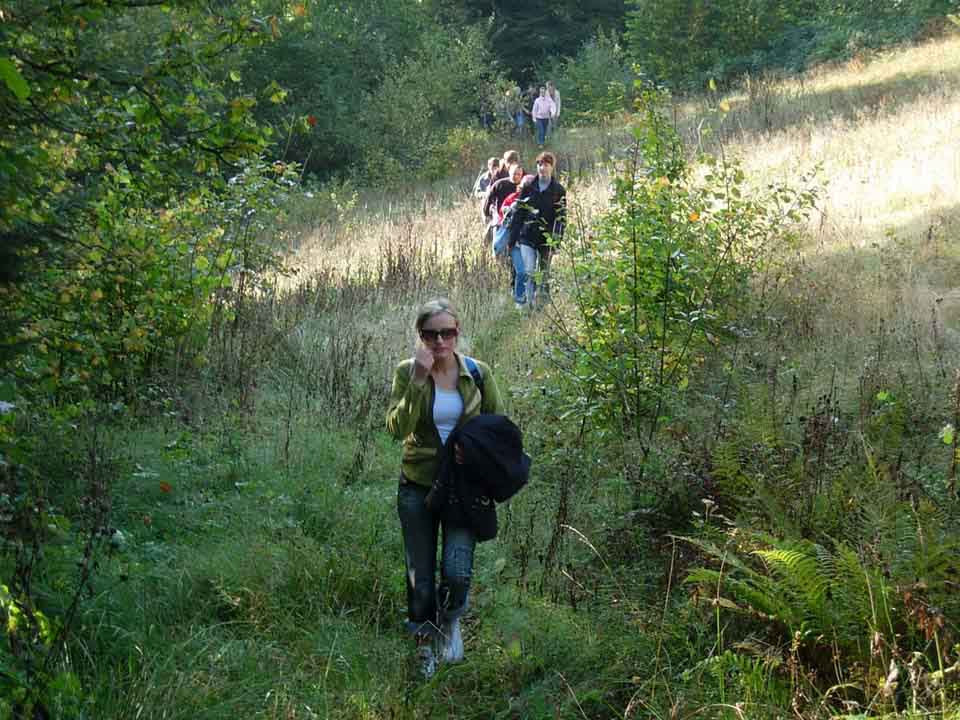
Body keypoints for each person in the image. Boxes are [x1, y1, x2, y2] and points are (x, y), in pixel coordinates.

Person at [386, 299, 503, 679]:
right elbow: (397, 428)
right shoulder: (407, 371)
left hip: (462, 489)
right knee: (420, 576)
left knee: (457, 571)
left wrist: (477, 455)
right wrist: (418, 381)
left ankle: (449, 620)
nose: (440, 341)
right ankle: (424, 643)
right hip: (417, 485)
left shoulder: (477, 373)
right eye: (431, 334)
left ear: (457, 332)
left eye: (447, 332)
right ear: (420, 336)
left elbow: (499, 427)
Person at [509, 151, 566, 309]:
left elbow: (561, 218)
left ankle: (543, 306)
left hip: (547, 238)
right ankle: (529, 306)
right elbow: (519, 212)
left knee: (544, 273)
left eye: (546, 165)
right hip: (527, 236)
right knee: (529, 271)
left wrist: (556, 241)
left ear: (552, 167)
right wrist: (512, 239)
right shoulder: (528, 186)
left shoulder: (558, 190)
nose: (542, 168)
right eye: (540, 164)